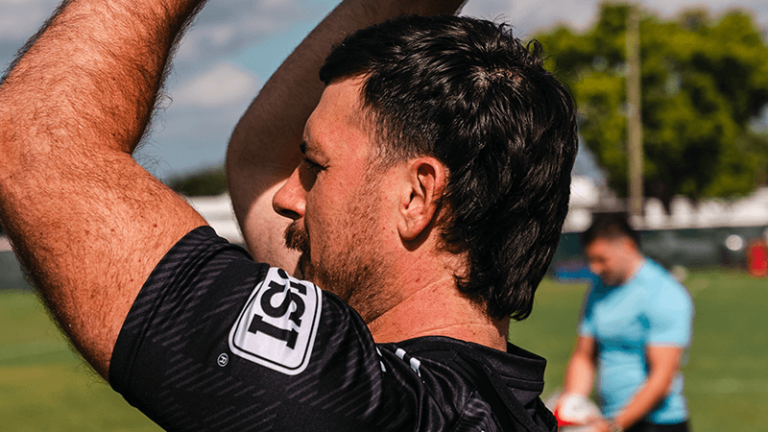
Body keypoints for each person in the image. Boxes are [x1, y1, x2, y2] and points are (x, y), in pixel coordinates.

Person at [0, 0, 577, 430]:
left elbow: (35, 144)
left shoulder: (357, 405)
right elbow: (260, 164)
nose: (288, 198)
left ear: (416, 197)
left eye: (315, 167)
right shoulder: (492, 405)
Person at [559, 215, 694, 432]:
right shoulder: (599, 288)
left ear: (628, 247)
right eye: (590, 259)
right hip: (608, 419)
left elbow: (662, 376)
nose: (594, 268)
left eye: (601, 259)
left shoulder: (664, 293)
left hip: (658, 424)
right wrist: (572, 404)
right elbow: (584, 355)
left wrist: (615, 425)